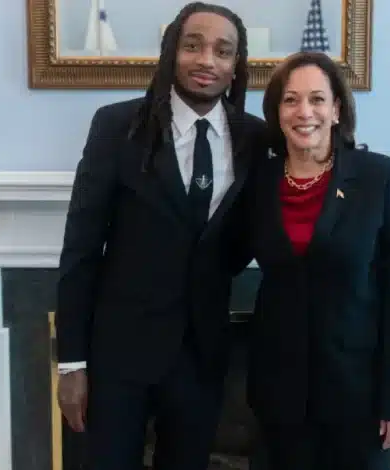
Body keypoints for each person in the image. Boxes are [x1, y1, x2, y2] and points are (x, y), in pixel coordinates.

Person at [53, 3, 266, 469]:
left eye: (222, 51)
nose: (206, 60)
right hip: (118, 357)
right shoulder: (116, 126)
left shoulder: (255, 138)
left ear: (236, 66)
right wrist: (71, 363)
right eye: (193, 45)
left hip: (202, 355)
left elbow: (248, 235)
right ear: (171, 52)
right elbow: (81, 248)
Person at [239, 51, 390, 470]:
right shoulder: (259, 182)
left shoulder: (381, 177)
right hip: (279, 395)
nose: (305, 112)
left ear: (337, 109)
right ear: (277, 113)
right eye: (291, 100)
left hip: (360, 398)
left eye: (318, 99)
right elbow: (222, 256)